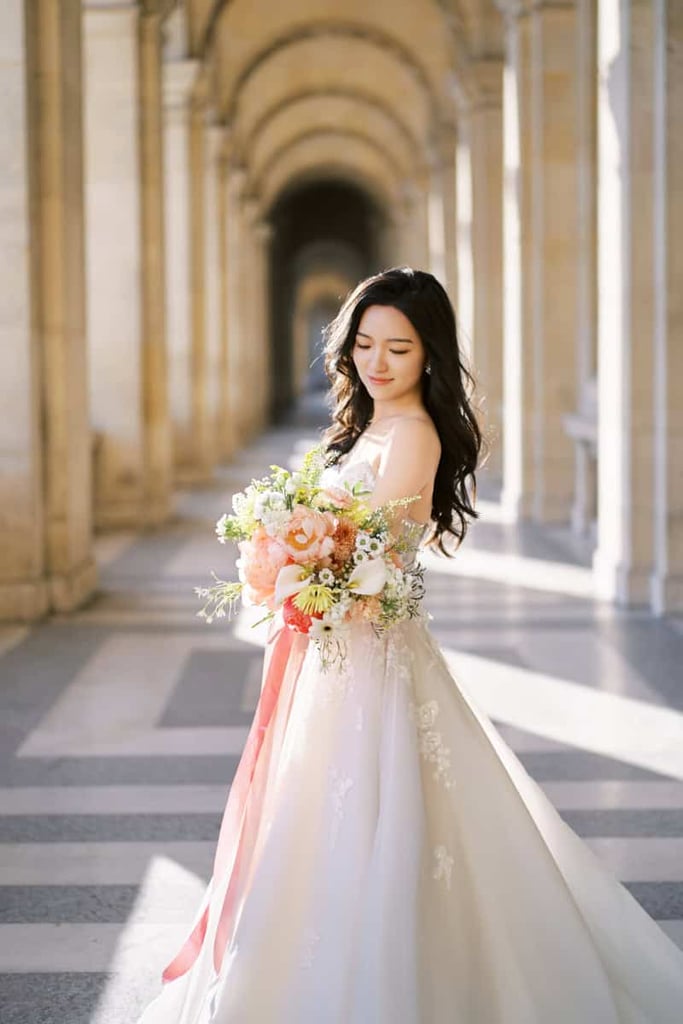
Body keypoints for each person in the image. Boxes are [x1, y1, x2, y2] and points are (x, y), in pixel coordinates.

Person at [138, 268, 683, 1023]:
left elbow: (384, 561)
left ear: (429, 354)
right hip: (339, 649)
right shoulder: (366, 425)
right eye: (364, 343)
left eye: (398, 347)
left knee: (380, 806)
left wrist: (310, 567)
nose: (377, 362)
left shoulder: (416, 434)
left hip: (372, 650)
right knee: (316, 808)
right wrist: (285, 559)